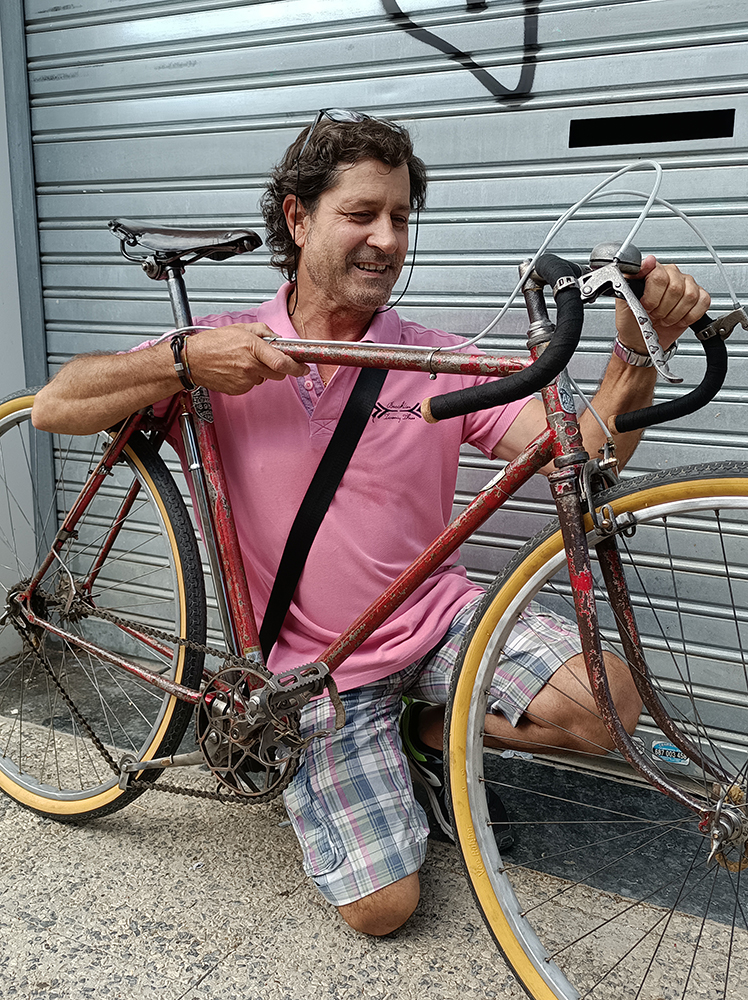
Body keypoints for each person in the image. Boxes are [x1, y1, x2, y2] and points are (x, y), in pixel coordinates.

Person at [32, 112, 710, 937]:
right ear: (297, 218)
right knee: (383, 911)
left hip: (437, 622)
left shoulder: (437, 358)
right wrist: (179, 363)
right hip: (316, 670)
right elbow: (56, 406)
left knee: (607, 702)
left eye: (399, 217)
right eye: (361, 214)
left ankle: (426, 731)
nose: (387, 239)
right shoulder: (220, 351)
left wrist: (637, 352)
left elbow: (583, 455)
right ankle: (378, 742)